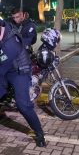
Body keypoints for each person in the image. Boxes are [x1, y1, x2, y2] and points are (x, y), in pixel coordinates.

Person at [0, 19, 46, 147]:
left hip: (19, 70)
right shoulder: (3, 26)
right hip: (4, 67)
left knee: (23, 105)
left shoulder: (10, 44)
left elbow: (1, 69)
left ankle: (39, 133)